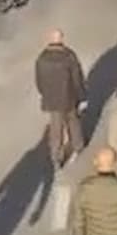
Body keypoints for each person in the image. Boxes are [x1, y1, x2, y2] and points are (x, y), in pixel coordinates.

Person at [34, 29, 86, 167]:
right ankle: (77, 146)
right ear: (62, 39)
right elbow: (77, 78)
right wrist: (81, 96)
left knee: (56, 128)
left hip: (52, 99)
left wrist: (45, 94)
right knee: (73, 122)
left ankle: (56, 156)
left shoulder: (42, 58)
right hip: (69, 97)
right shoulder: (69, 56)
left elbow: (39, 81)